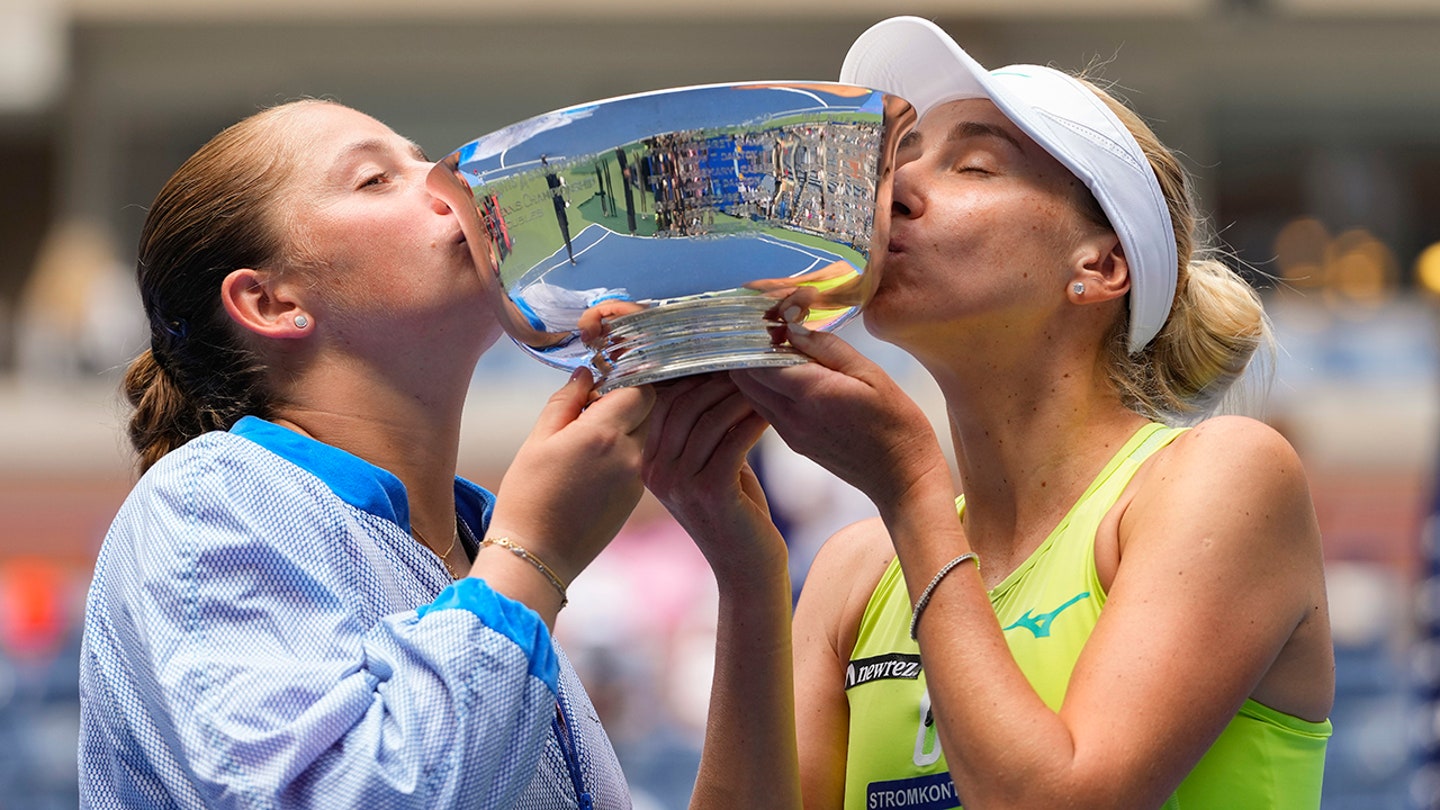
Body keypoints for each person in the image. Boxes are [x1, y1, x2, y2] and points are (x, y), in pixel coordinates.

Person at [655, 16, 1334, 810]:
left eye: (973, 167)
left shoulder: (1223, 477)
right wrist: (746, 574)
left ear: (1100, 264)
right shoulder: (854, 572)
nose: (895, 190)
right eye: (900, 160)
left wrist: (911, 489)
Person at [75, 98, 768, 809]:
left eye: (420, 159)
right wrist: (533, 558)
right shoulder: (209, 497)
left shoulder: (476, 553)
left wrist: (746, 577)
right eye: (376, 178)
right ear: (273, 303)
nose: (447, 179)